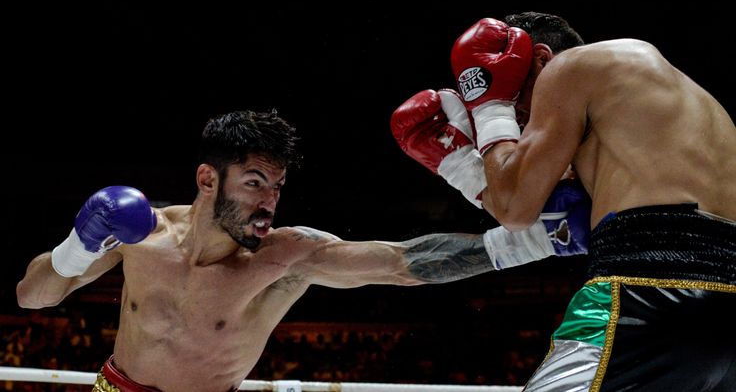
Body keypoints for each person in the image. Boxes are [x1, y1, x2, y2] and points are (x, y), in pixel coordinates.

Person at [17, 109, 589, 392]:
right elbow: (34, 298)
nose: (270, 202)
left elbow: (400, 263)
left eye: (278, 187)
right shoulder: (138, 235)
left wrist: (530, 242)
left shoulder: (287, 257)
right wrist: (77, 245)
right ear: (207, 179)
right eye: (254, 183)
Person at [446, 12, 736, 391]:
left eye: (516, 102)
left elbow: (515, 208)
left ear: (541, 59)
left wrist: (489, 111)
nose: (521, 121)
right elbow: (535, 202)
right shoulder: (661, 106)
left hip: (647, 292)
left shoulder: (568, 69)